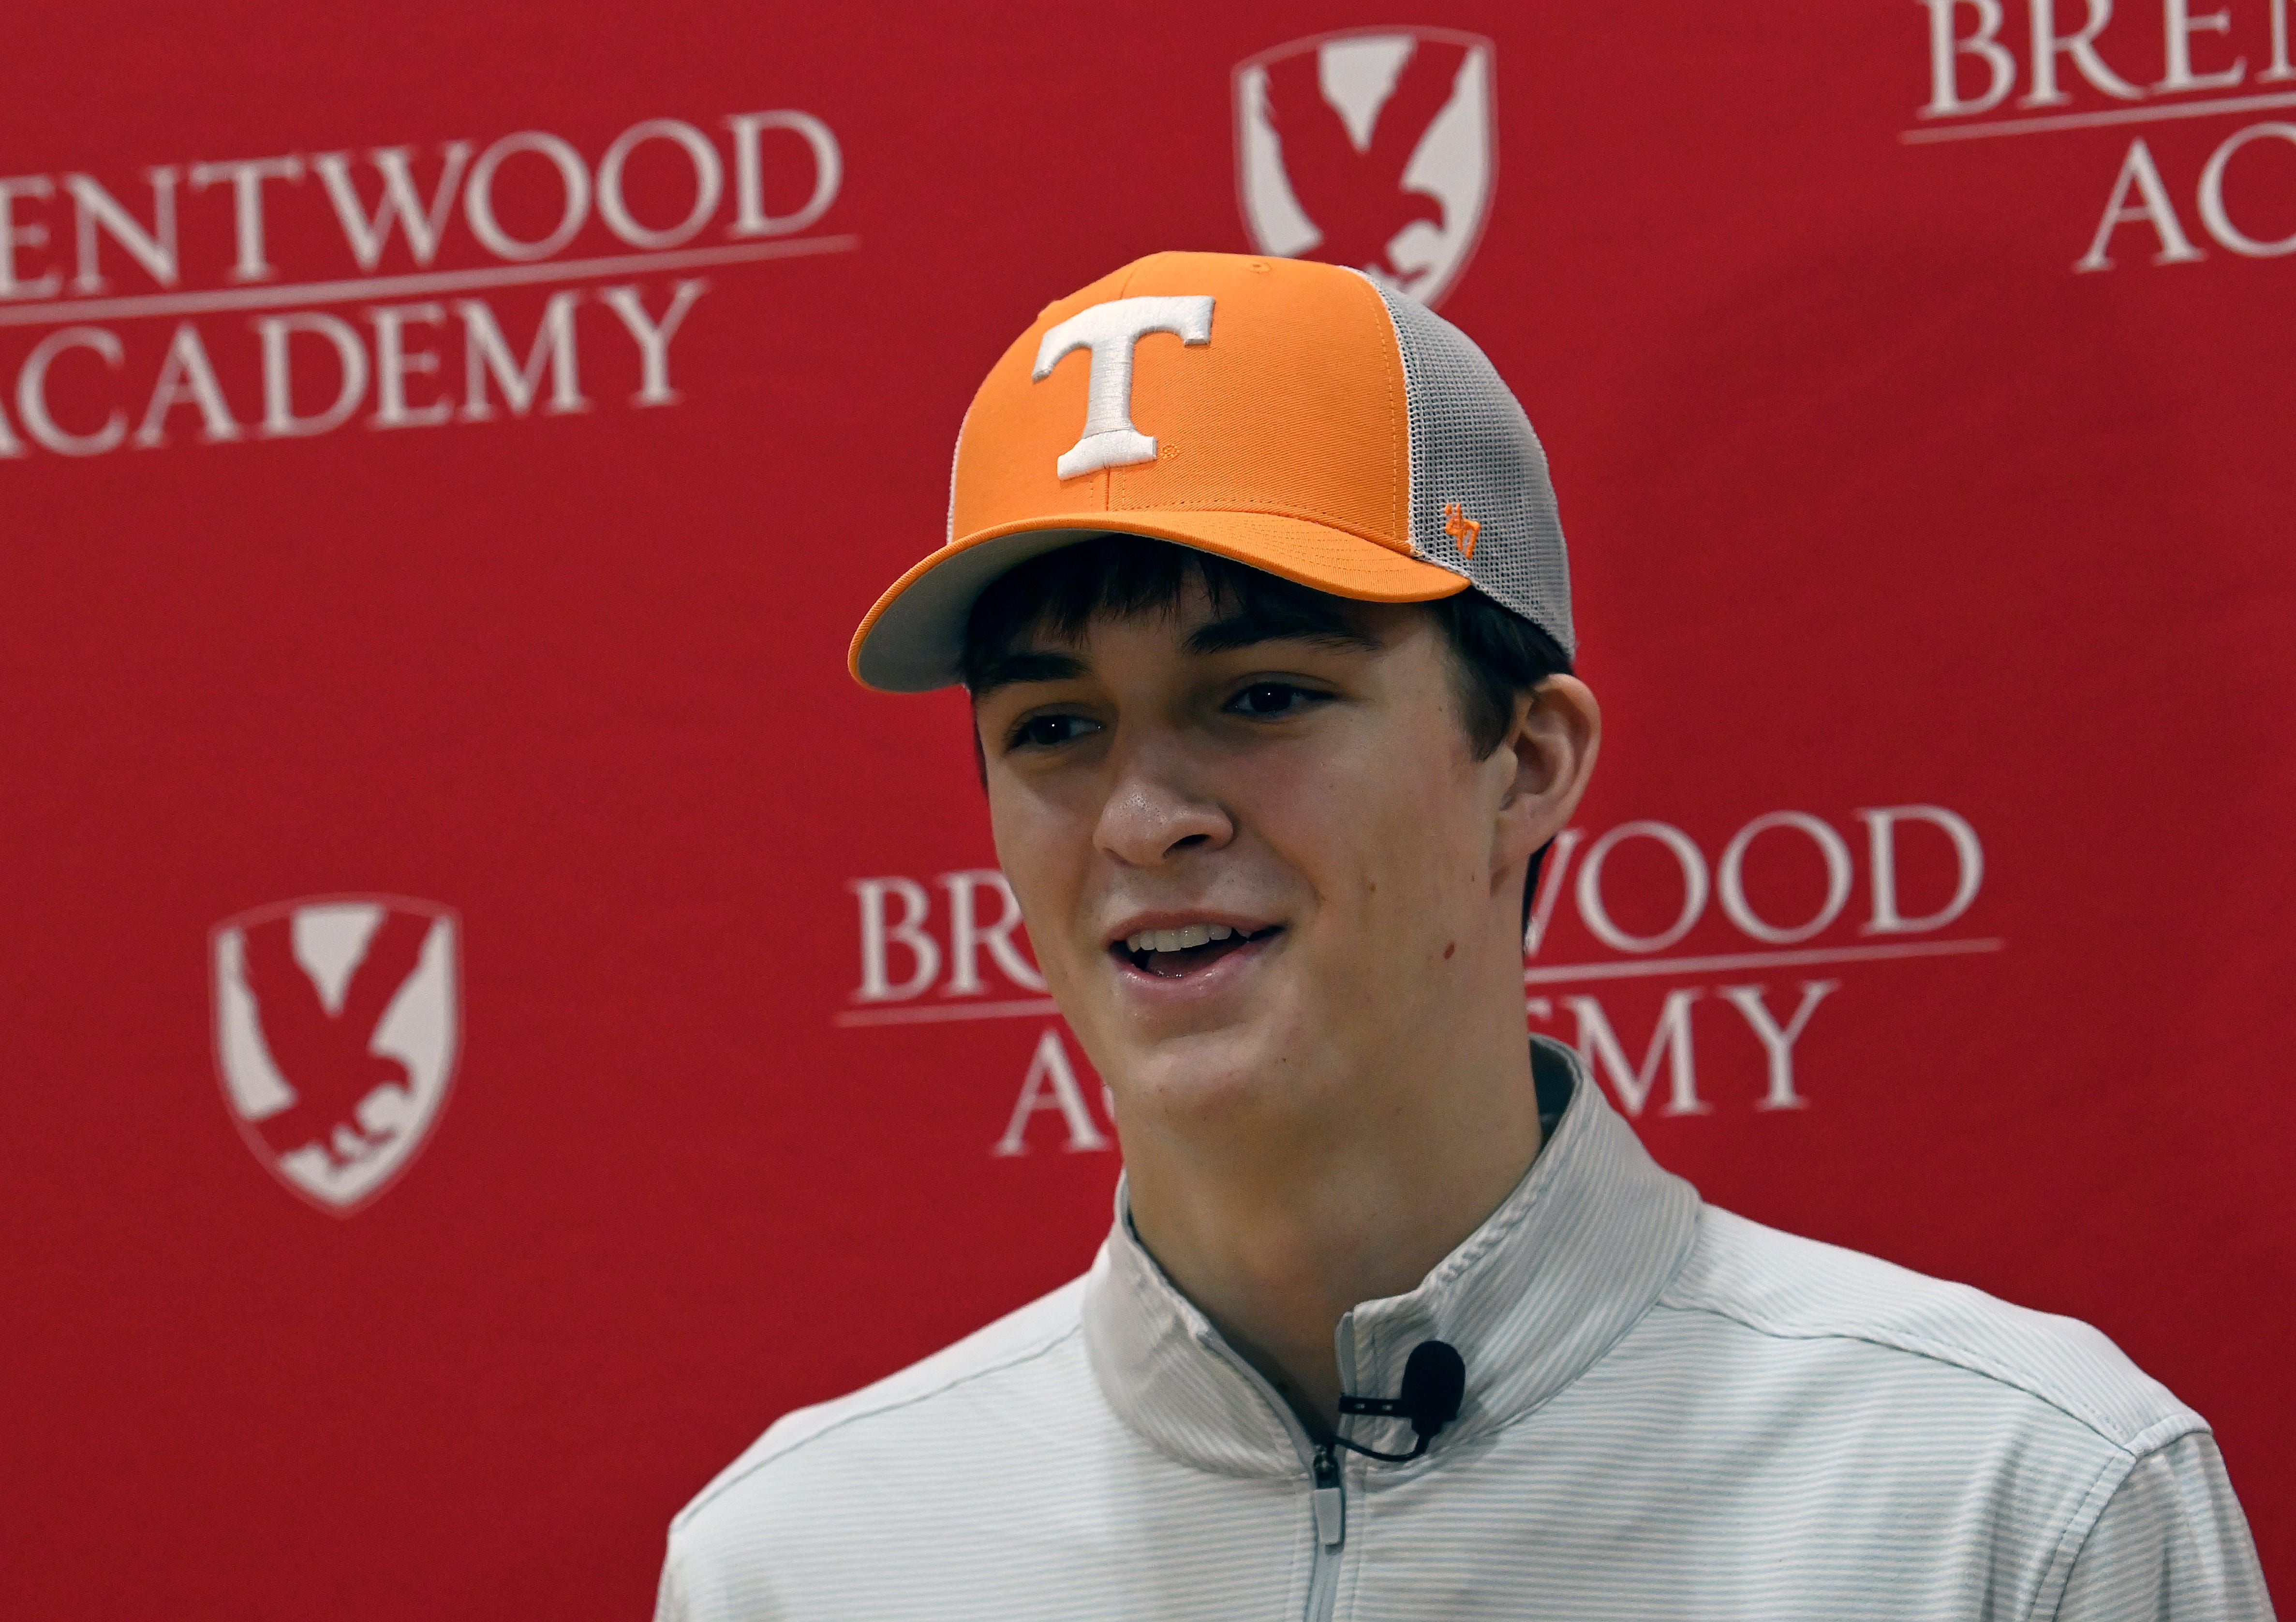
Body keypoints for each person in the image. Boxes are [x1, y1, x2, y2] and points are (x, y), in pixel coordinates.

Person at [655, 252, 2274, 1620]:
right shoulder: (798, 1564)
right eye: (1053, 728)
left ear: (1526, 762)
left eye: (1263, 695)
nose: (1144, 819)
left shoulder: (2011, 1500)